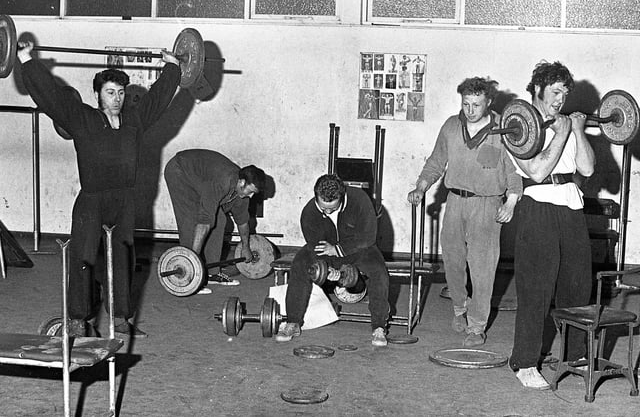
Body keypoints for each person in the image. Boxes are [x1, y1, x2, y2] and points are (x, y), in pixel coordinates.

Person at [17, 41, 181, 338]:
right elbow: (51, 96)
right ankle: (79, 320)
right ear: (98, 94)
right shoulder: (83, 119)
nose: (116, 99)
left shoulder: (134, 120)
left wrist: (171, 68)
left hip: (124, 201)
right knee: (82, 258)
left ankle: (120, 319)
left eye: (120, 93)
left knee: (123, 259)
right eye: (110, 92)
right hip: (91, 200)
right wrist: (26, 58)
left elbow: (157, 100)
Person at [407, 77, 522, 347]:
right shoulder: (451, 126)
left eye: (476, 104)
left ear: (489, 102)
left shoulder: (503, 131)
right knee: (454, 262)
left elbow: (514, 171)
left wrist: (511, 202)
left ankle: (477, 326)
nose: (470, 110)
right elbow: (436, 161)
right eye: (466, 104)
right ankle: (460, 308)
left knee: (482, 269)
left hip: (487, 204)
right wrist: (421, 187)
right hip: (456, 201)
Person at [508, 61, 595, 390]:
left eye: (565, 93)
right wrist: (560, 133)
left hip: (571, 205)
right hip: (538, 205)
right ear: (537, 90)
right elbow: (537, 172)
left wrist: (578, 132)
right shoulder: (518, 124)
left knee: (576, 286)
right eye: (555, 92)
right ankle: (525, 362)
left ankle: (574, 356)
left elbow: (585, 169)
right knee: (536, 289)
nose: (561, 99)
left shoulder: (566, 123)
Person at [275, 174, 390, 346]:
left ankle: (379, 327)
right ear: (316, 197)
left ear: (341, 197)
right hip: (325, 252)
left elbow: (368, 237)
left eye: (332, 208)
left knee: (379, 271)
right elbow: (315, 245)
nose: (327, 212)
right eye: (323, 208)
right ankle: (293, 322)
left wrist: (338, 249)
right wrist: (326, 270)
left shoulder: (359, 200)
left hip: (358, 249)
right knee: (300, 264)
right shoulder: (309, 212)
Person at [163, 149, 266, 293]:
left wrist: (246, 247)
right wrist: (193, 262)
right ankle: (191, 274)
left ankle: (212, 272)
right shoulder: (222, 182)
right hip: (180, 171)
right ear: (241, 182)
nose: (251, 196)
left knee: (220, 219)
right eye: (251, 191)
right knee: (192, 217)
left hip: (200, 178)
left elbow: (242, 222)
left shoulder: (242, 193)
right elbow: (204, 222)